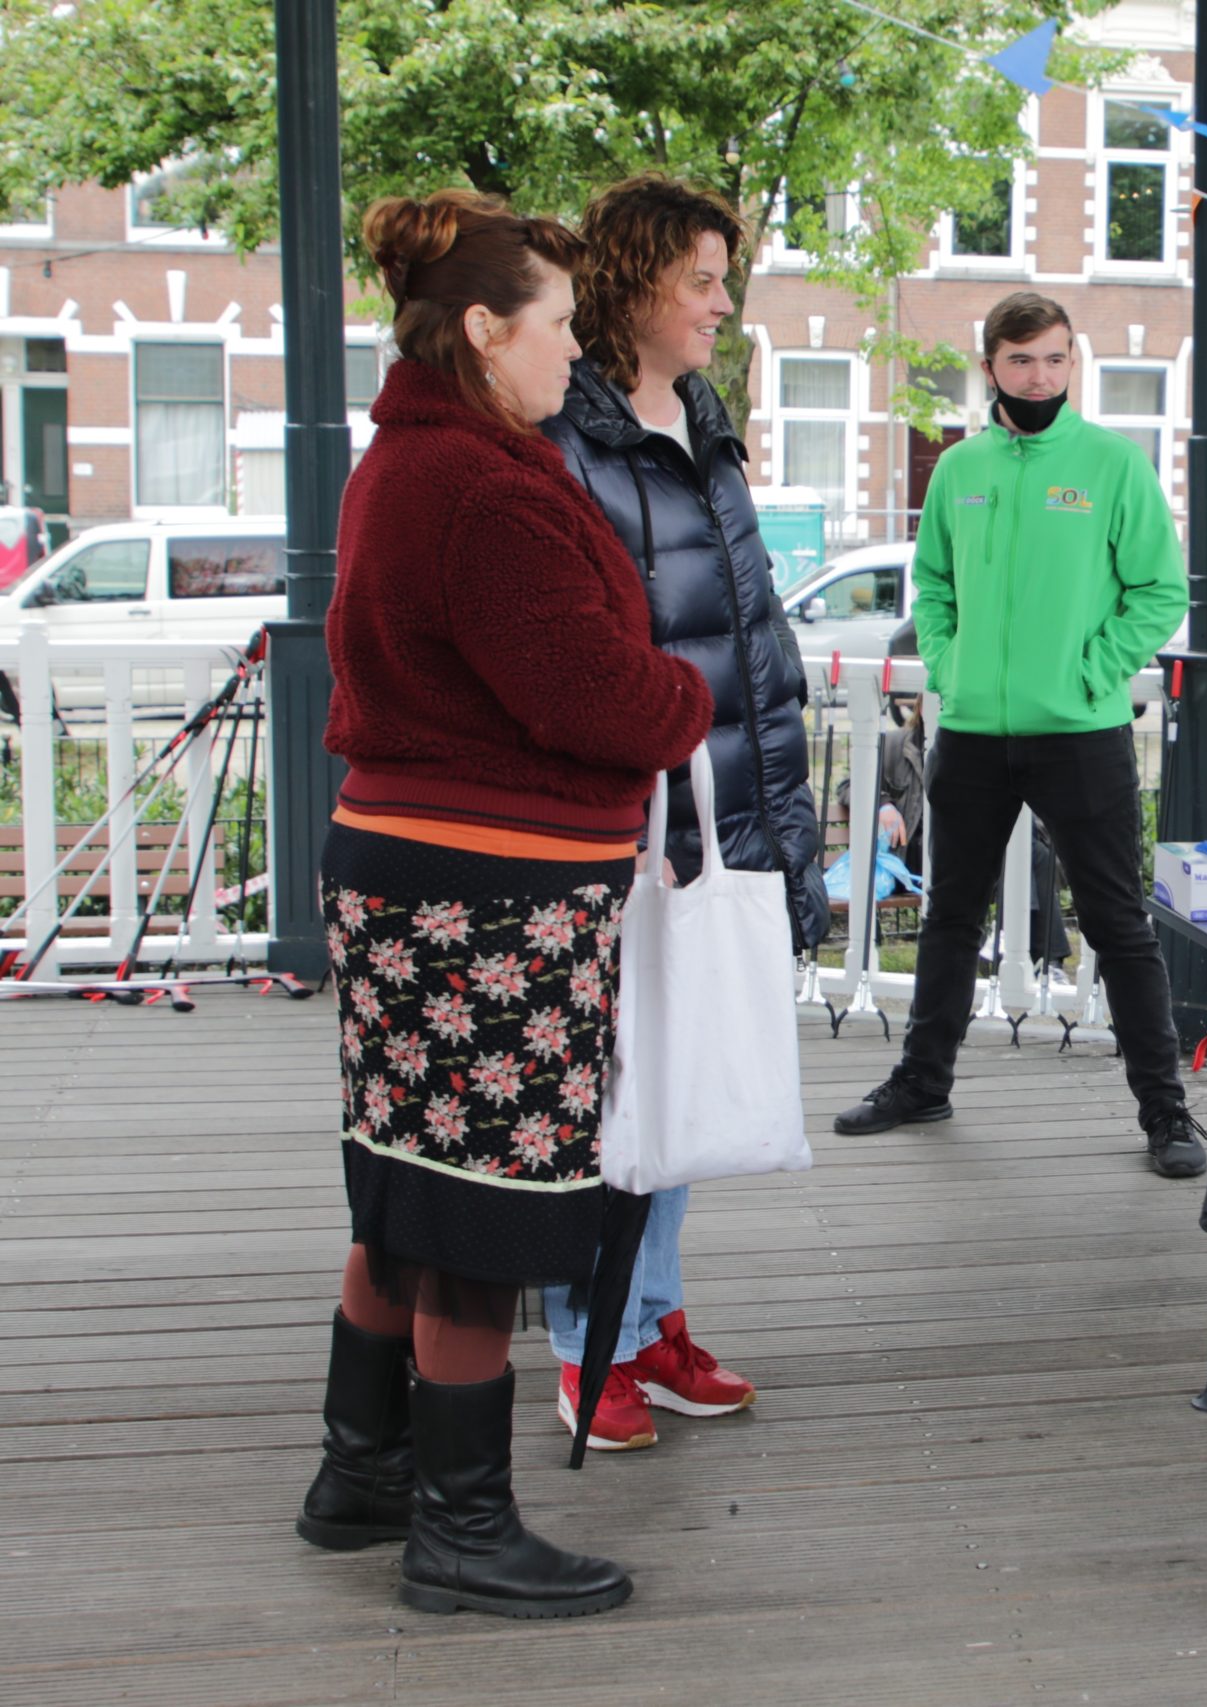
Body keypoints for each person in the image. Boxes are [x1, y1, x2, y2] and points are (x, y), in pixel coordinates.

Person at [301, 190, 713, 1616]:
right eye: (556, 326)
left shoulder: (407, 459)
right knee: (483, 1200)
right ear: (484, 329)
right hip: (489, 901)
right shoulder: (485, 488)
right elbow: (594, 694)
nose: (574, 352)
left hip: (408, 874)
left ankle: (364, 1473)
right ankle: (461, 1528)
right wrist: (683, 695)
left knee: (409, 1185)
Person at [534, 174, 822, 1451]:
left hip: (723, 806)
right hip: (627, 818)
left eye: (724, 280)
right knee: (614, 1093)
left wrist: (787, 830)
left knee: (686, 1074)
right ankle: (581, 1345)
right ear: (634, 281)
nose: (720, 304)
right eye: (700, 280)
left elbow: (749, 635)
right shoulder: (566, 435)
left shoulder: (706, 419)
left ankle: (647, 1323)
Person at [830, 291, 1202, 1178]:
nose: (1040, 376)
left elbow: (1160, 591)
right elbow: (933, 586)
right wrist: (950, 668)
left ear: (1073, 362)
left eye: (1055, 358)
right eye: (1022, 359)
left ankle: (1166, 1110)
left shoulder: (1112, 465)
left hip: (1082, 733)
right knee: (950, 917)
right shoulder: (959, 470)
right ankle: (923, 1080)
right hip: (971, 735)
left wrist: (1090, 670)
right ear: (990, 365)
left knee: (1118, 923)